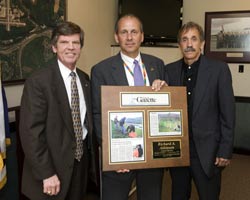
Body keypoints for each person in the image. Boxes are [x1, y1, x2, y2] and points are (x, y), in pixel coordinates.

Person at [19, 21, 97, 200]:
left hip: (79, 167)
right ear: (54, 47)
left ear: (80, 47)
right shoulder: (39, 81)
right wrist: (46, 173)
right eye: (64, 42)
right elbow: (31, 133)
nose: (71, 47)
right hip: (50, 171)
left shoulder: (84, 79)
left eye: (75, 43)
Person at [91, 14, 165, 200]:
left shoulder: (157, 65)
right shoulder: (101, 70)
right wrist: (113, 154)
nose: (129, 37)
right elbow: (98, 114)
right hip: (120, 155)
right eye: (124, 32)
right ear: (117, 37)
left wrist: (164, 91)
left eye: (134, 32)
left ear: (142, 36)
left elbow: (165, 108)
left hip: (151, 155)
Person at [165, 21, 235, 199]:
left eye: (194, 39)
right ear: (180, 44)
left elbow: (228, 113)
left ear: (202, 43)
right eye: (184, 39)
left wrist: (224, 149)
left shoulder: (219, 70)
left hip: (207, 152)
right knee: (178, 195)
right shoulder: (168, 71)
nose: (189, 44)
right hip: (177, 152)